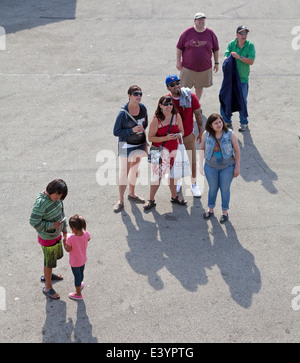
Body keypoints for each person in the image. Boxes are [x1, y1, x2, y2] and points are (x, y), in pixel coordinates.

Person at [143, 95, 186, 210]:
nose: (169, 106)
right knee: (156, 176)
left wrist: (178, 135)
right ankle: (151, 200)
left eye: (171, 104)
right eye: (166, 104)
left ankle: (174, 196)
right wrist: (166, 138)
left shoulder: (177, 116)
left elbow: (182, 130)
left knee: (173, 174)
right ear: (160, 106)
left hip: (173, 150)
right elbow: (151, 138)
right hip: (158, 150)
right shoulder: (156, 119)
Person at [30, 179, 68, 299]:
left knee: (52, 260)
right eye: (57, 194)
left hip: (56, 235)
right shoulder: (41, 203)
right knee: (49, 262)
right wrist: (51, 225)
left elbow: (62, 215)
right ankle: (48, 287)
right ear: (51, 190)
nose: (59, 197)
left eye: (61, 196)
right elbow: (33, 222)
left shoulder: (58, 200)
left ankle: (49, 276)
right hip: (47, 238)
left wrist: (65, 230)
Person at [166, 74, 202, 197]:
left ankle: (194, 184)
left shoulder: (190, 96)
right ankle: (178, 181)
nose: (176, 86)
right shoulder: (166, 101)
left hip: (187, 136)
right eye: (172, 85)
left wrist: (201, 132)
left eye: (177, 83)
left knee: (192, 162)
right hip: (173, 138)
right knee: (175, 162)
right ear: (168, 88)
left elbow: (198, 114)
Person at [113, 85, 148, 213]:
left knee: (134, 170)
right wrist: (131, 130)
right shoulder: (123, 113)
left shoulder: (143, 108)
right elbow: (116, 131)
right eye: (135, 94)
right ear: (129, 96)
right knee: (124, 172)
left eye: (140, 94)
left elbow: (145, 125)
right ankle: (120, 200)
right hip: (125, 146)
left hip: (139, 144)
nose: (138, 96)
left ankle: (132, 193)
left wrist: (145, 142)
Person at [200, 114, 240, 223]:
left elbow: (237, 150)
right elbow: (202, 149)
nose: (219, 124)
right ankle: (210, 209)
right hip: (210, 167)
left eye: (220, 122)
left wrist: (237, 167)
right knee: (213, 188)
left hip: (227, 167)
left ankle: (224, 212)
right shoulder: (206, 134)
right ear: (210, 125)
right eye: (216, 123)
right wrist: (200, 166)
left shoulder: (230, 134)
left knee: (225, 189)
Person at [176, 12, 219, 102]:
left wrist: (216, 63)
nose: (201, 21)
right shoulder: (187, 32)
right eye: (199, 19)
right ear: (194, 21)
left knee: (199, 86)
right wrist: (178, 62)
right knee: (184, 87)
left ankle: (196, 104)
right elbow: (179, 47)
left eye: (202, 19)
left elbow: (216, 49)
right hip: (188, 67)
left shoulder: (210, 33)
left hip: (204, 68)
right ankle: (185, 104)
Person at [220, 25, 256, 131]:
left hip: (243, 79)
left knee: (242, 101)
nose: (244, 35)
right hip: (231, 79)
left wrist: (239, 57)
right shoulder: (232, 44)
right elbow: (225, 57)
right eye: (241, 33)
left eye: (245, 33)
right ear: (237, 35)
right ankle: (227, 121)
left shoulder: (250, 45)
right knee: (226, 98)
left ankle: (244, 123)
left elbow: (251, 61)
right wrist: (229, 58)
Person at [63, 214, 90, 301]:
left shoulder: (70, 238)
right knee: (81, 274)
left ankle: (78, 293)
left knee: (77, 277)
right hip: (83, 260)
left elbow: (68, 249)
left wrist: (64, 243)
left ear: (73, 229)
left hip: (75, 262)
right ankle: (80, 284)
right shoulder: (86, 234)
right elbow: (88, 238)